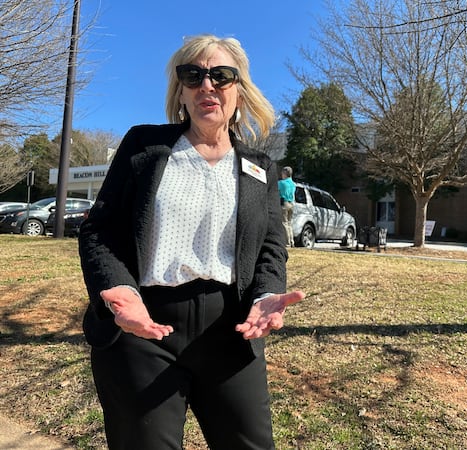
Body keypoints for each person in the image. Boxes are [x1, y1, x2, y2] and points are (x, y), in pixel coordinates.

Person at [78, 34, 305, 450]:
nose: (207, 86)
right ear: (180, 90)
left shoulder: (260, 167)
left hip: (231, 328)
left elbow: (272, 245)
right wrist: (118, 292)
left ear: (239, 88)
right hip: (143, 328)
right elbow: (99, 229)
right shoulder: (143, 147)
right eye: (193, 75)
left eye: (221, 75)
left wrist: (267, 292)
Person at [278, 166, 296, 247]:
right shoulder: (293, 184)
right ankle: (292, 241)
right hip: (291, 203)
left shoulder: (281, 183)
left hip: (284, 203)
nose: (281, 175)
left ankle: (287, 242)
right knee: (289, 223)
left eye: (282, 173)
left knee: (284, 223)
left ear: (285, 173)